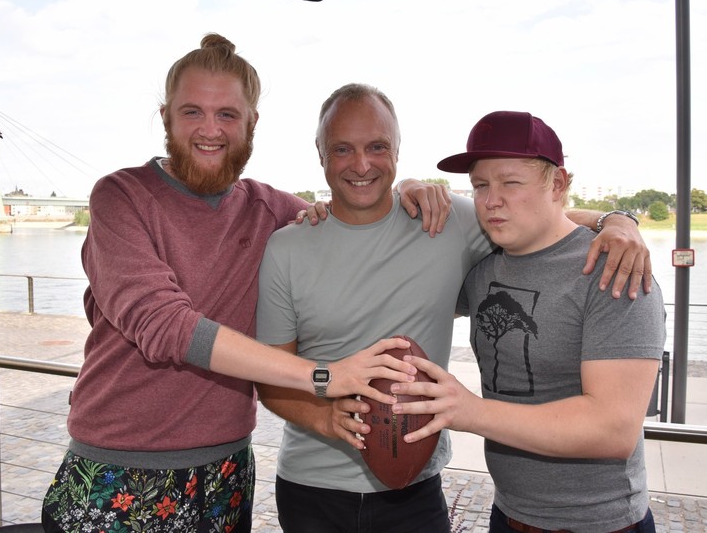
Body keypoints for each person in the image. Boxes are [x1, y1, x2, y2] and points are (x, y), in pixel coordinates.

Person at [39, 35, 448, 533]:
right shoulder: (121, 197)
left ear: (252, 123)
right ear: (166, 116)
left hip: (225, 472)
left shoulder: (271, 209)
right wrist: (323, 376)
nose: (210, 130)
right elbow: (163, 325)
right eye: (193, 112)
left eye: (227, 115)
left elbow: (358, 207)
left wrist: (407, 188)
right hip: (118, 465)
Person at [254, 85, 653, 533]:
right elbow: (272, 376)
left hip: (421, 491)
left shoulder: (452, 224)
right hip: (316, 491)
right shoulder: (289, 247)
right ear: (321, 154)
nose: (361, 164)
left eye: (377, 147)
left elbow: (541, 223)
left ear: (398, 151)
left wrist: (617, 221)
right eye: (342, 149)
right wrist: (325, 416)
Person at [392, 111, 667, 533]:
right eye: (481, 185)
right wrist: (402, 187)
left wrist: (468, 411)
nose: (490, 200)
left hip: (601, 523)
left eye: (510, 182)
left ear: (557, 184)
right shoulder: (483, 267)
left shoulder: (613, 269)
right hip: (509, 514)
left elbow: (612, 429)